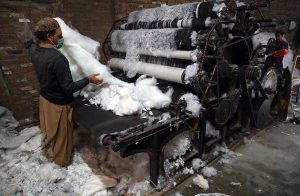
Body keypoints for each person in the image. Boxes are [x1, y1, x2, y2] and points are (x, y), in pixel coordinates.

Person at [30, 17, 102, 166]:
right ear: (49, 37)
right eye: (59, 36)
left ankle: (50, 149)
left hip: (45, 99)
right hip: (58, 105)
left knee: (50, 131)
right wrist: (88, 79)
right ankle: (60, 162)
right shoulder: (58, 59)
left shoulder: (34, 50)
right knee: (62, 137)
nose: (61, 39)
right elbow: (68, 88)